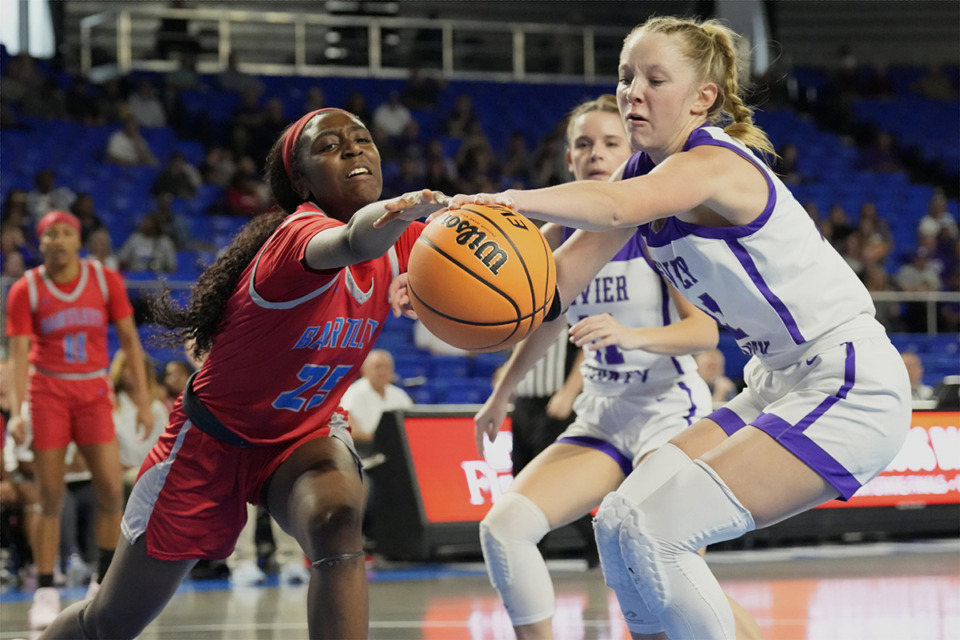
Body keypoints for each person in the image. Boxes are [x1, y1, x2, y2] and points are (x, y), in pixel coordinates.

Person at [433, 16, 911, 639]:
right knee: (620, 520)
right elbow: (554, 288)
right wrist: (445, 292)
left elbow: (611, 206)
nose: (633, 90)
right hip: (778, 383)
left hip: (848, 382)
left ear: (701, 98)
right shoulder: (642, 176)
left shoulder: (712, 162)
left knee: (656, 533)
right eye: (626, 76)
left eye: (654, 79)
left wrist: (507, 200)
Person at [37, 107, 445, 640]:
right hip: (209, 444)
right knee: (109, 621)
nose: (352, 149)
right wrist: (399, 212)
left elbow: (510, 279)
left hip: (303, 436)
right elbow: (352, 243)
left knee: (336, 520)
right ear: (300, 180)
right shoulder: (298, 237)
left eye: (362, 139)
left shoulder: (405, 243)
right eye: (329, 145)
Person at [466, 95, 756, 639]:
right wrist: (500, 393)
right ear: (569, 162)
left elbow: (703, 332)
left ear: (632, 153)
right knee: (504, 530)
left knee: (650, 555)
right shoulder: (550, 241)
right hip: (601, 416)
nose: (596, 154)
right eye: (583, 144)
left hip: (669, 413)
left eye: (610, 143)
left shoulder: (658, 227)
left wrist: (632, 336)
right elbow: (540, 324)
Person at [5, 210, 154, 631]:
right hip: (48, 391)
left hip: (92, 390)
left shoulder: (105, 280)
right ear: (41, 243)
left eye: (67, 232)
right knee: (49, 495)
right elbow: (17, 356)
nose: (59, 239)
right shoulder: (26, 290)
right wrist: (18, 411)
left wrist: (143, 401)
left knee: (110, 489)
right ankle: (46, 588)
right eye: (50, 233)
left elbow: (128, 339)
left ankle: (102, 582)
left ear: (78, 239)